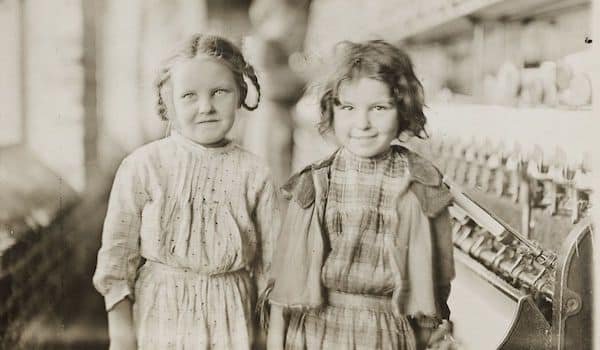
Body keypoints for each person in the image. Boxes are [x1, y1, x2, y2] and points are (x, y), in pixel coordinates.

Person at [93, 34, 281, 350]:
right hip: (162, 314)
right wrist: (122, 340)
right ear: (168, 103)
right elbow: (116, 260)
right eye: (189, 95)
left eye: (220, 92)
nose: (206, 107)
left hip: (231, 317)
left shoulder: (255, 173)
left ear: (239, 95)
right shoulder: (144, 166)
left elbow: (272, 270)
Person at [265, 40, 455, 350]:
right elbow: (284, 282)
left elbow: (439, 280)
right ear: (331, 109)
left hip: (389, 332)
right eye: (348, 108)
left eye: (379, 108)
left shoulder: (423, 184)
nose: (362, 123)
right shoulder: (313, 182)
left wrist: (432, 333)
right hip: (317, 330)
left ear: (402, 110)